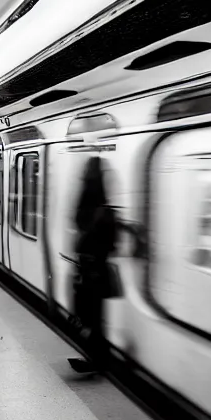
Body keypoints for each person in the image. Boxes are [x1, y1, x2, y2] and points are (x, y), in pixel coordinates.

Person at [68, 156, 118, 373]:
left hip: (86, 270)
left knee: (85, 315)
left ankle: (97, 359)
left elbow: (78, 227)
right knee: (96, 317)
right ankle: (98, 358)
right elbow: (113, 244)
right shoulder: (106, 210)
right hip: (99, 270)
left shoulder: (84, 205)